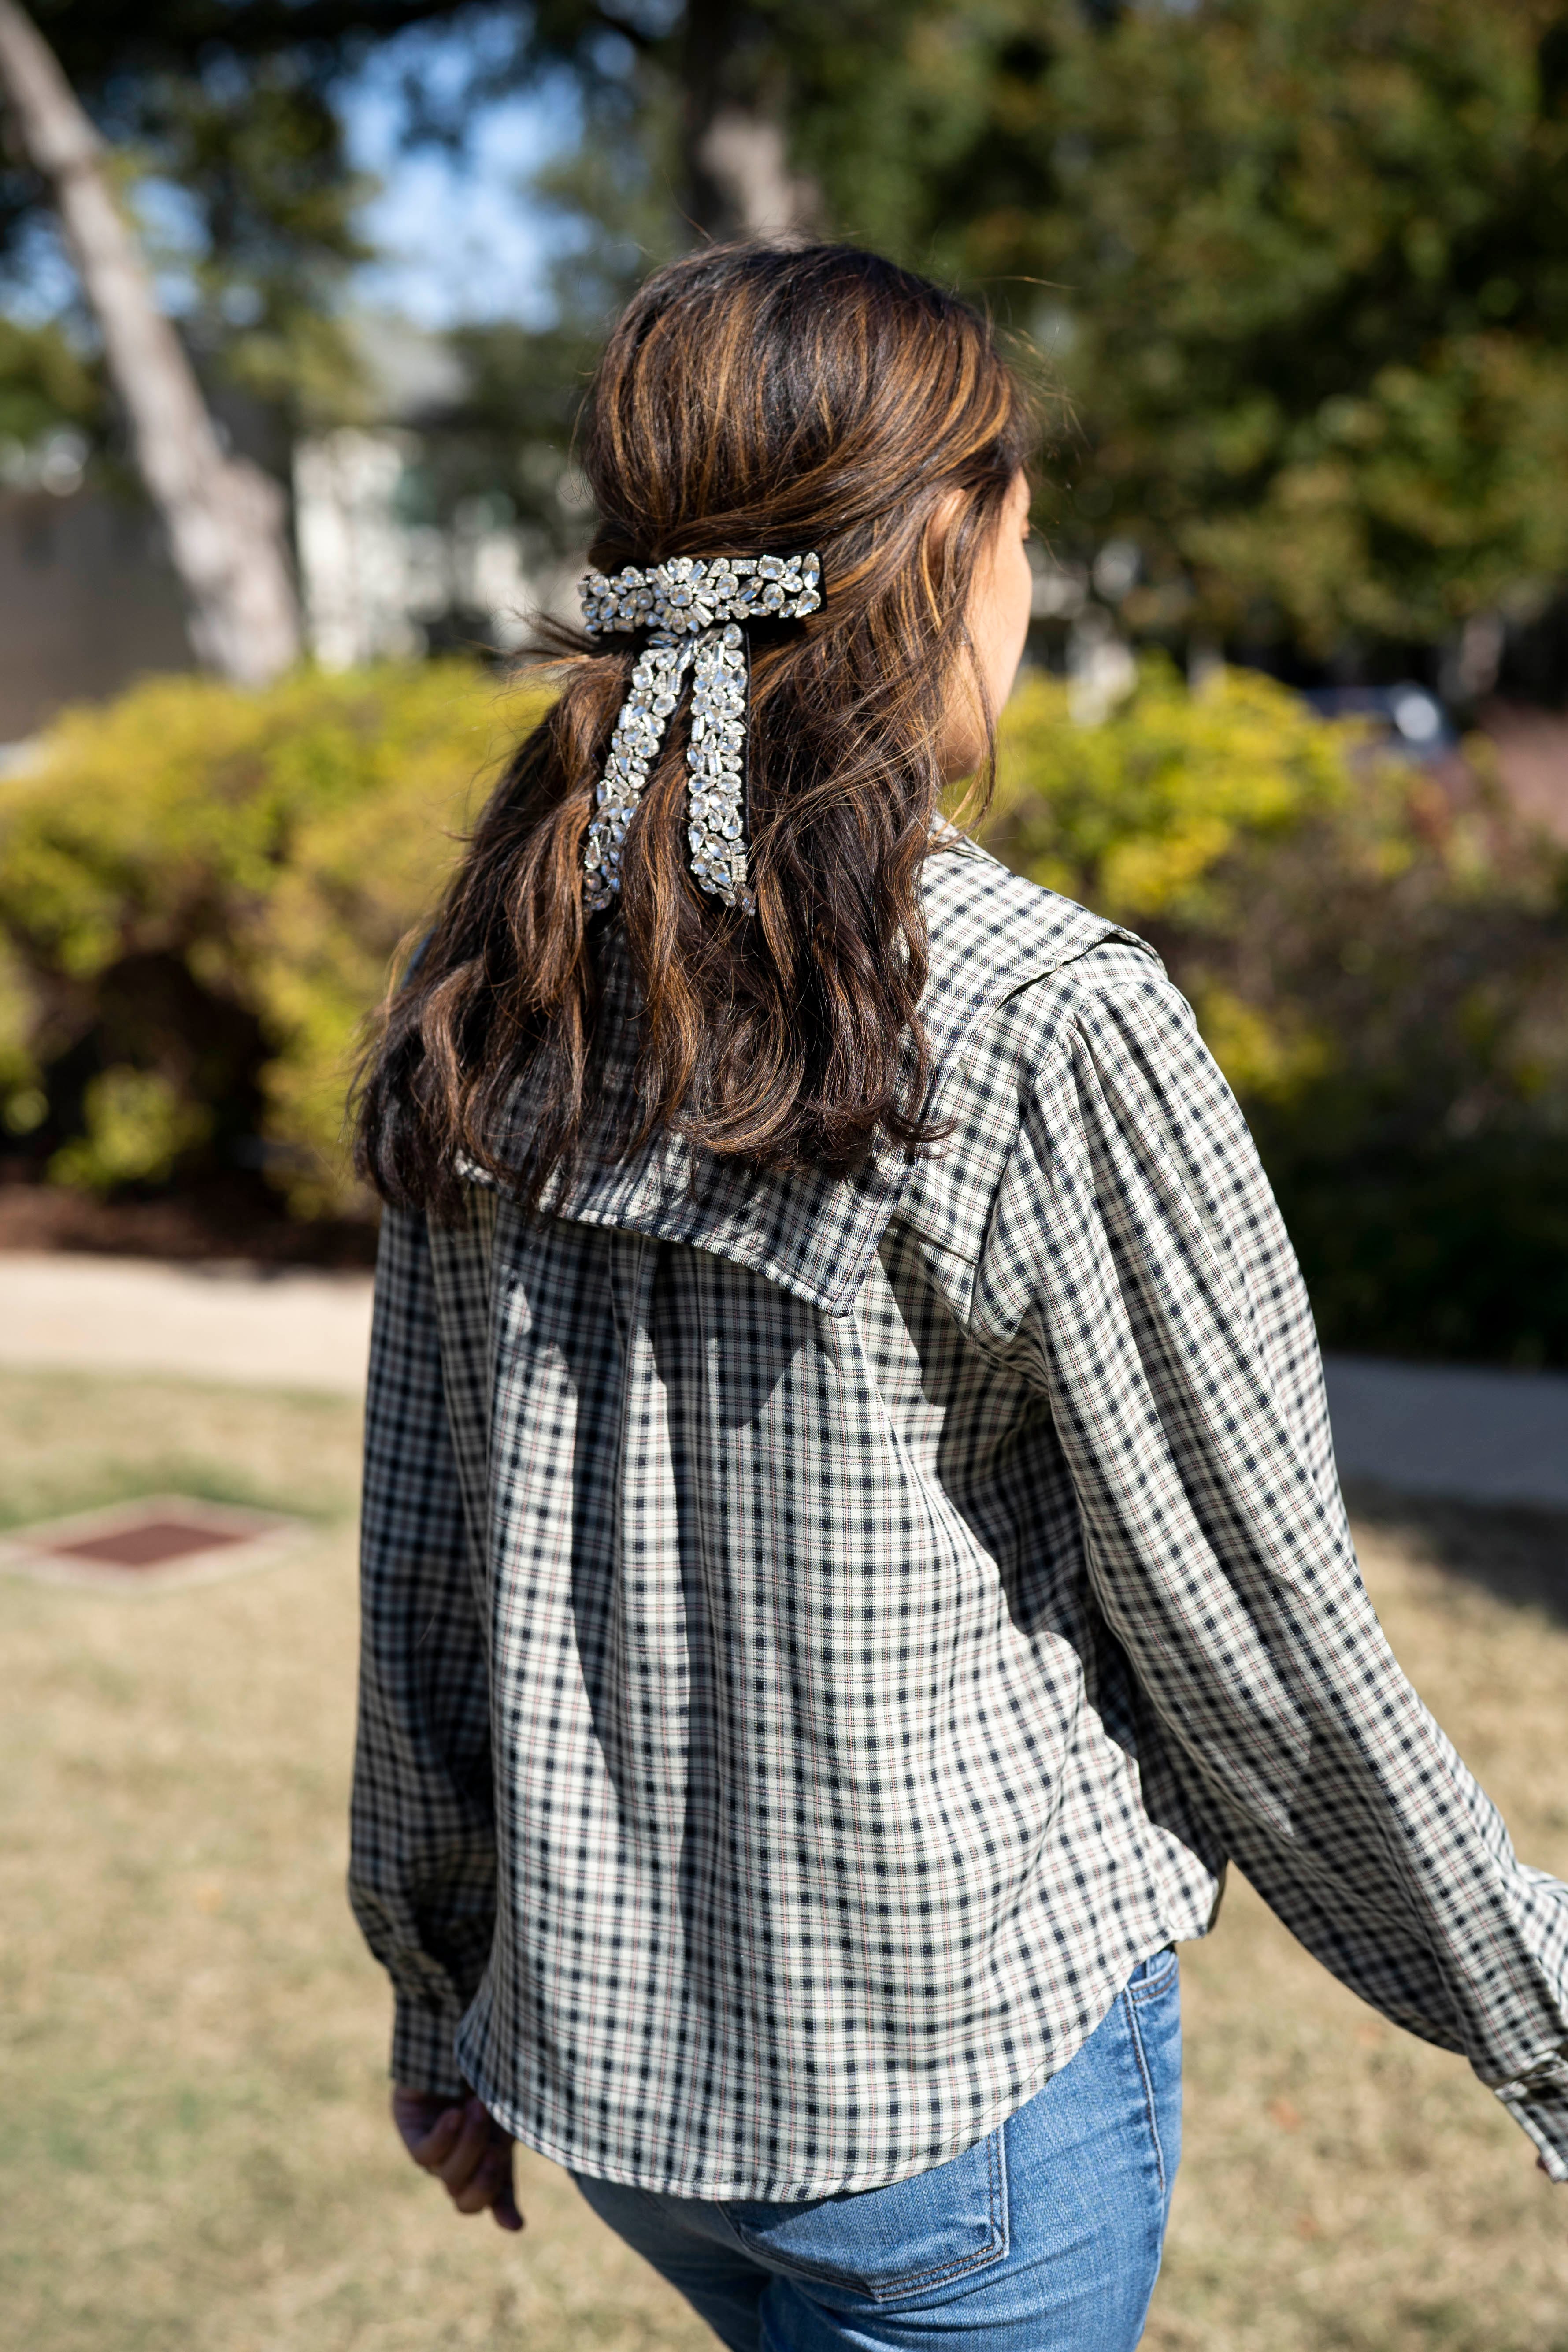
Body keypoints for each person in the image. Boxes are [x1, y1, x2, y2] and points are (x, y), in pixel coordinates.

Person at [348, 242, 1568, 2352]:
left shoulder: (500, 979)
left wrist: (439, 1993)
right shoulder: (1036, 1012)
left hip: (616, 2091)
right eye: (1023, 510)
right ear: (951, 543)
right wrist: (1540, 2023)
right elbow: (1262, 1642)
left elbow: (421, 1559)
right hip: (942, 2119)